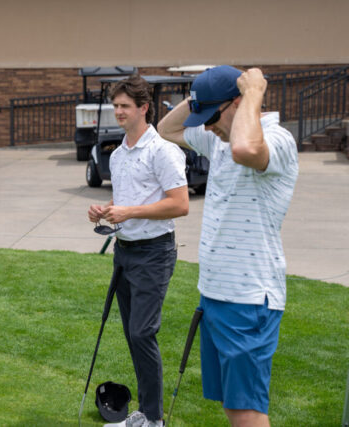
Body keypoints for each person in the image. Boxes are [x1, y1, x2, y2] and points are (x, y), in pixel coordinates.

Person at [157, 66, 299, 427]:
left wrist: (253, 92)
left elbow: (245, 148)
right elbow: (166, 129)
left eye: (211, 117)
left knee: (247, 410)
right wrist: (200, 98)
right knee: (232, 406)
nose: (205, 126)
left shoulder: (275, 140)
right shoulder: (218, 139)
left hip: (249, 298)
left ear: (238, 103)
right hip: (216, 293)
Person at [88, 75, 189, 427]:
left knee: (142, 332)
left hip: (154, 253)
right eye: (115, 106)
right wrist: (106, 209)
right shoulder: (118, 155)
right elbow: (129, 200)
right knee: (133, 333)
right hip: (124, 250)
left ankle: (153, 419)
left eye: (124, 106)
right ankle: (146, 413)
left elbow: (179, 204)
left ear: (143, 108)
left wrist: (127, 212)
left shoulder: (163, 151)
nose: (118, 112)